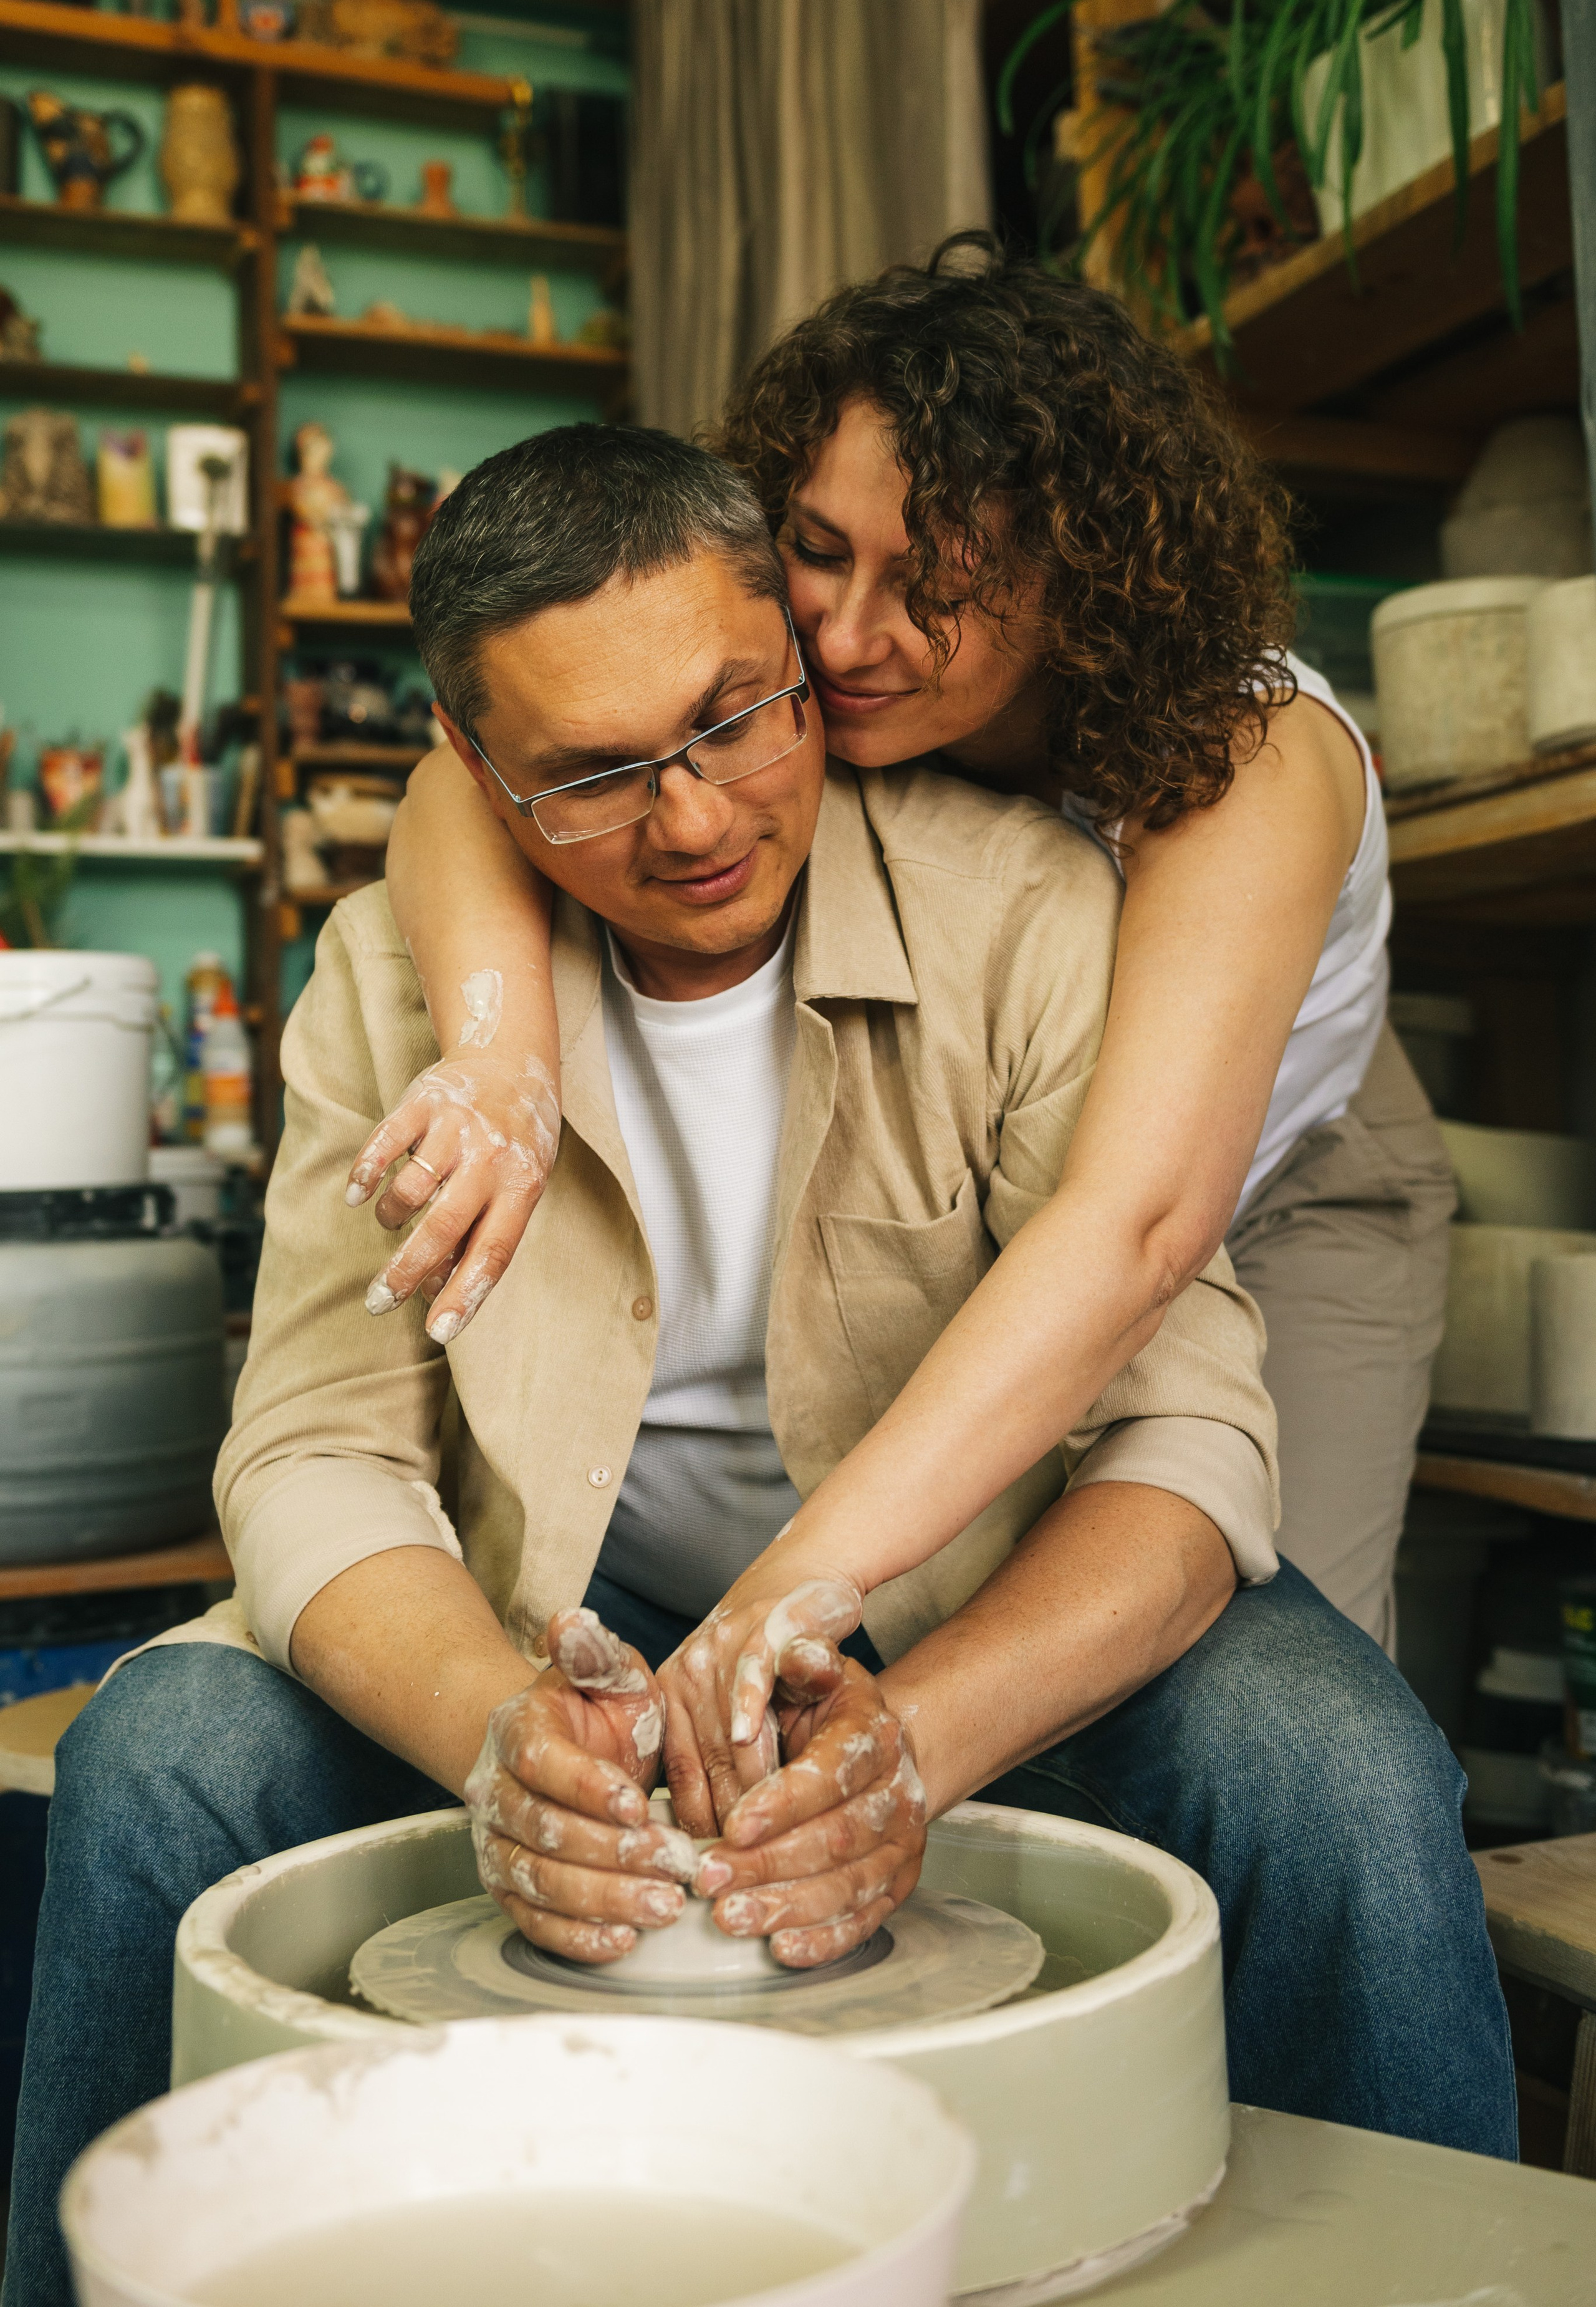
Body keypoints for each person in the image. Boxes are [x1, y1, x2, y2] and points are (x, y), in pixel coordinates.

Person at [4, 428, 1509, 2307]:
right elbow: (312, 1449)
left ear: (804, 658)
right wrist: (497, 1736)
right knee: (158, 1750)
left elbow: (1185, 1433)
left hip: (976, 1572)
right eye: (593, 777)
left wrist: (922, 1728)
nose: (697, 819)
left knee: (1340, 1762)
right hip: (559, 1608)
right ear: (472, 774)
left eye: (736, 719)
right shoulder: (402, 977)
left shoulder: (1027, 906)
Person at [350, 243, 1453, 1803]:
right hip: (1005, 1176)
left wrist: (772, 1602)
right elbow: (469, 779)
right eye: (816, 549)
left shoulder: (1246, 753)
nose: (850, 635)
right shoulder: (785, 696)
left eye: (932, 584)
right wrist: (503, 1053)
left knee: (1281, 1702)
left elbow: (1137, 1225)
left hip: (1266, 1184)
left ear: (1079, 570)